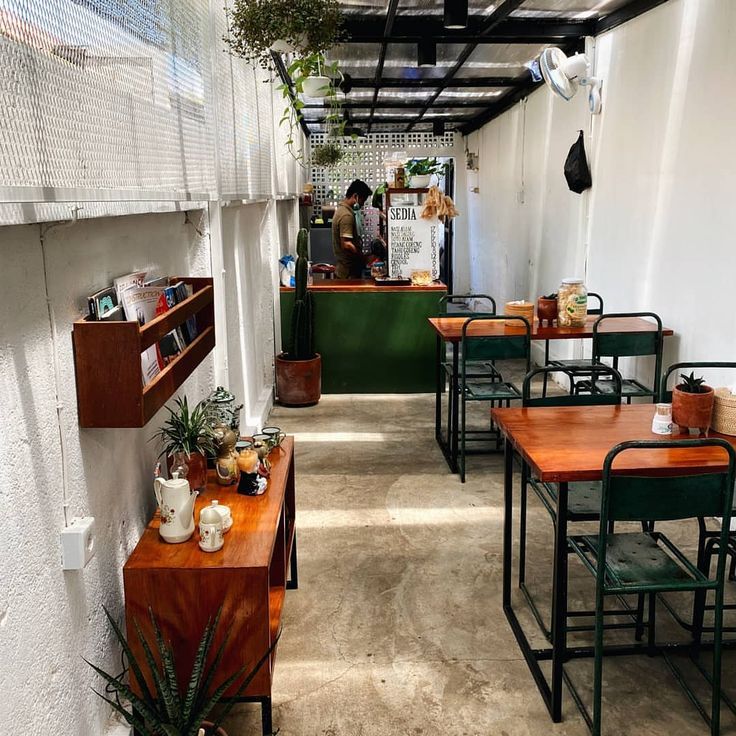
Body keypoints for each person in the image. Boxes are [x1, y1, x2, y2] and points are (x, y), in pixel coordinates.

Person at [331, 179, 372, 279]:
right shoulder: (346, 215)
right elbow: (347, 244)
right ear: (355, 196)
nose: (362, 204)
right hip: (348, 272)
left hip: (344, 269)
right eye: (363, 200)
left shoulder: (341, 210)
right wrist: (363, 258)